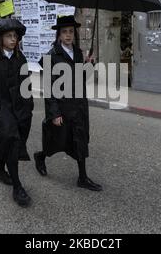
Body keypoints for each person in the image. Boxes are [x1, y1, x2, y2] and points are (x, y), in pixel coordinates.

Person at [34, 15, 102, 192]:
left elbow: (81, 80)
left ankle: (82, 177)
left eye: (71, 31)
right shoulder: (51, 56)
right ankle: (41, 156)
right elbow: (48, 89)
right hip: (62, 108)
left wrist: (89, 65)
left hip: (78, 106)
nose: (68, 35)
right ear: (58, 34)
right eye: (64, 32)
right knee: (56, 142)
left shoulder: (78, 53)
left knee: (80, 140)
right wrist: (54, 113)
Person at [0, 19, 34, 207]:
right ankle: (17, 187)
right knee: (12, 143)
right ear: (0, 39)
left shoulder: (21, 59)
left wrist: (29, 106)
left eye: (15, 36)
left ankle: (0, 170)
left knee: (16, 142)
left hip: (22, 110)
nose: (13, 39)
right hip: (3, 111)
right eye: (9, 36)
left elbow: (27, 84)